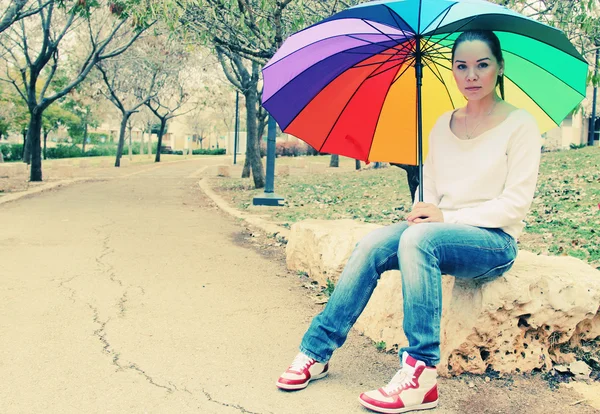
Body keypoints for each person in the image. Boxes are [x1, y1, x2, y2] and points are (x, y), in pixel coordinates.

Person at [276, 29, 542, 414]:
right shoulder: (441, 126)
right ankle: (315, 352)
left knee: (420, 241)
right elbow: (430, 192)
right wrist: (422, 208)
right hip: (440, 231)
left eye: (482, 65)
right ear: (452, 70)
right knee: (373, 244)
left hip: (492, 242)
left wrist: (444, 217)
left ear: (500, 68)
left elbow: (514, 205)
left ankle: (421, 374)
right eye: (462, 66)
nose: (471, 75)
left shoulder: (520, 125)